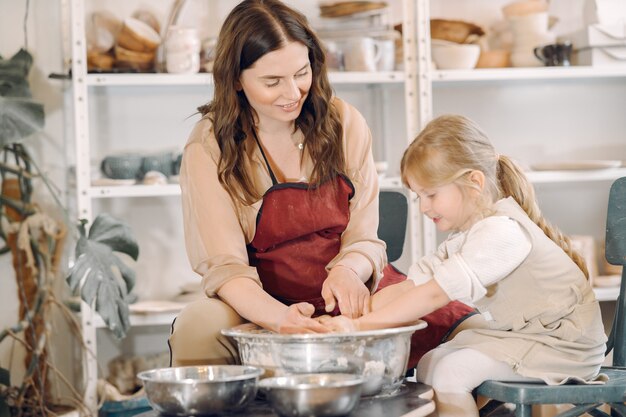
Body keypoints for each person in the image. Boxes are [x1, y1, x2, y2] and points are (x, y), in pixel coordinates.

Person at [169, 0, 475, 368]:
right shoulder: (209, 145)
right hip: (262, 299)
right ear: (236, 79)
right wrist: (280, 319)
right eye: (272, 81)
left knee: (468, 328)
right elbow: (226, 269)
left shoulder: (344, 122)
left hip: (351, 290)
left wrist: (349, 271)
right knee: (197, 325)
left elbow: (365, 237)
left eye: (301, 73)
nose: (292, 92)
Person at [318, 114, 608, 416]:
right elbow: (409, 288)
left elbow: (433, 295)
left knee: (451, 372)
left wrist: (356, 327)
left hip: (565, 347)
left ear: (474, 182)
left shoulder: (501, 233)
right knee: (430, 363)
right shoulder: (467, 235)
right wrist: (351, 317)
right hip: (527, 336)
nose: (423, 206)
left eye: (431, 194)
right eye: (418, 196)